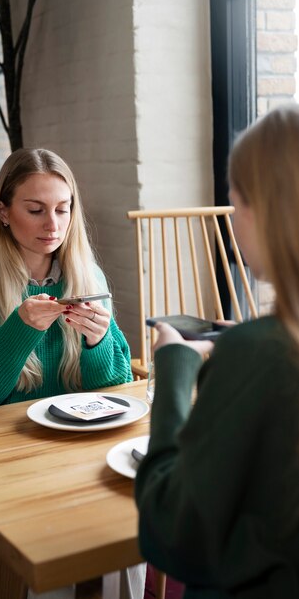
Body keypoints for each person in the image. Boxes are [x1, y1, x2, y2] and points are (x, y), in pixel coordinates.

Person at [135, 104, 299, 598]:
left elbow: (173, 531)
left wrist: (174, 366)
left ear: (261, 211)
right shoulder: (263, 347)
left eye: (234, 202)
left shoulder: (259, 356)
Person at [0, 147, 133, 415]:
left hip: (75, 437)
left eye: (62, 210)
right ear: (4, 213)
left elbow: (117, 391)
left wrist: (97, 342)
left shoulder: (90, 276)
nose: (52, 225)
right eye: (35, 210)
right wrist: (19, 330)